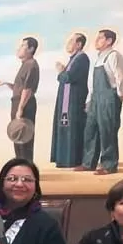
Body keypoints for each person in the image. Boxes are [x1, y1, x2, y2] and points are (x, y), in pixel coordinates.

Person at [77, 30, 123, 175]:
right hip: (96, 98)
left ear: (109, 41)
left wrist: (120, 95)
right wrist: (89, 100)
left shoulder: (113, 56)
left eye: (100, 38)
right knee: (90, 130)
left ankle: (109, 165)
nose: (96, 40)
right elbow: (91, 84)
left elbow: (120, 77)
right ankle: (88, 163)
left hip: (109, 97)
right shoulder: (98, 58)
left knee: (107, 131)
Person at [0, 37, 41, 161]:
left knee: (24, 136)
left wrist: (20, 109)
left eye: (22, 46)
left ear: (31, 49)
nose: (19, 49)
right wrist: (6, 83)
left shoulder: (31, 65)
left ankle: (26, 165)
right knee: (18, 136)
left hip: (25, 104)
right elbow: (20, 87)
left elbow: (28, 89)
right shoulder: (25, 65)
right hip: (18, 102)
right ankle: (21, 163)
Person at [51, 33, 91, 168]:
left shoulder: (82, 58)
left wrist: (61, 71)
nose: (67, 43)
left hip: (74, 101)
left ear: (79, 44)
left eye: (71, 41)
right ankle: (64, 160)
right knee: (66, 127)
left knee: (72, 129)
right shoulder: (74, 59)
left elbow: (69, 77)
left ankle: (72, 160)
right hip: (67, 101)